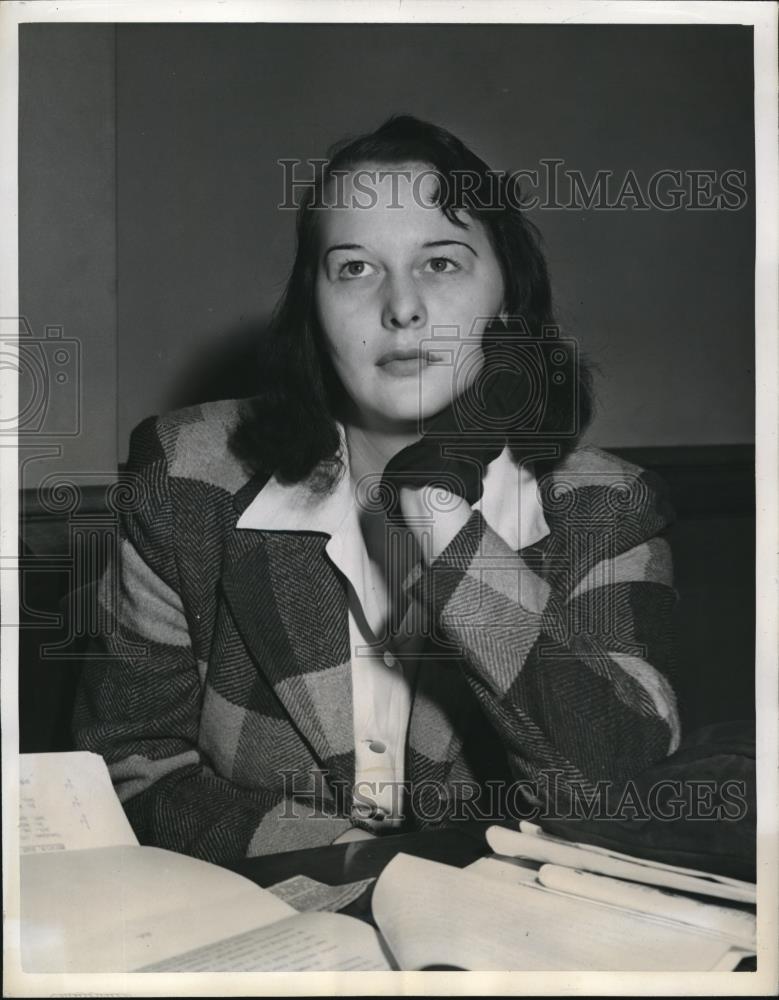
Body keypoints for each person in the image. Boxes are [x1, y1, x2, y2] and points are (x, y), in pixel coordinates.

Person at [73, 115, 681, 863]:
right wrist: (362, 870)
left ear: (509, 300)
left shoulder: (606, 506)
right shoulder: (187, 473)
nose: (401, 308)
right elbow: (131, 775)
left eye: (441, 263)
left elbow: (614, 783)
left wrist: (437, 505)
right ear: (312, 310)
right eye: (354, 268)